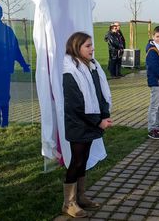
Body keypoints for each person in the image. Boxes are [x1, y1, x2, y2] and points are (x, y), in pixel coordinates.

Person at [62, 32, 113, 218]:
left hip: (90, 123)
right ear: (77, 48)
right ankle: (68, 203)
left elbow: (99, 94)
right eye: (88, 46)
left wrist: (104, 115)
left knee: (83, 160)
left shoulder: (92, 67)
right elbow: (76, 104)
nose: (92, 49)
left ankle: (81, 197)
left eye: (92, 45)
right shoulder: (69, 71)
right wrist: (98, 121)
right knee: (76, 162)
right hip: (78, 124)